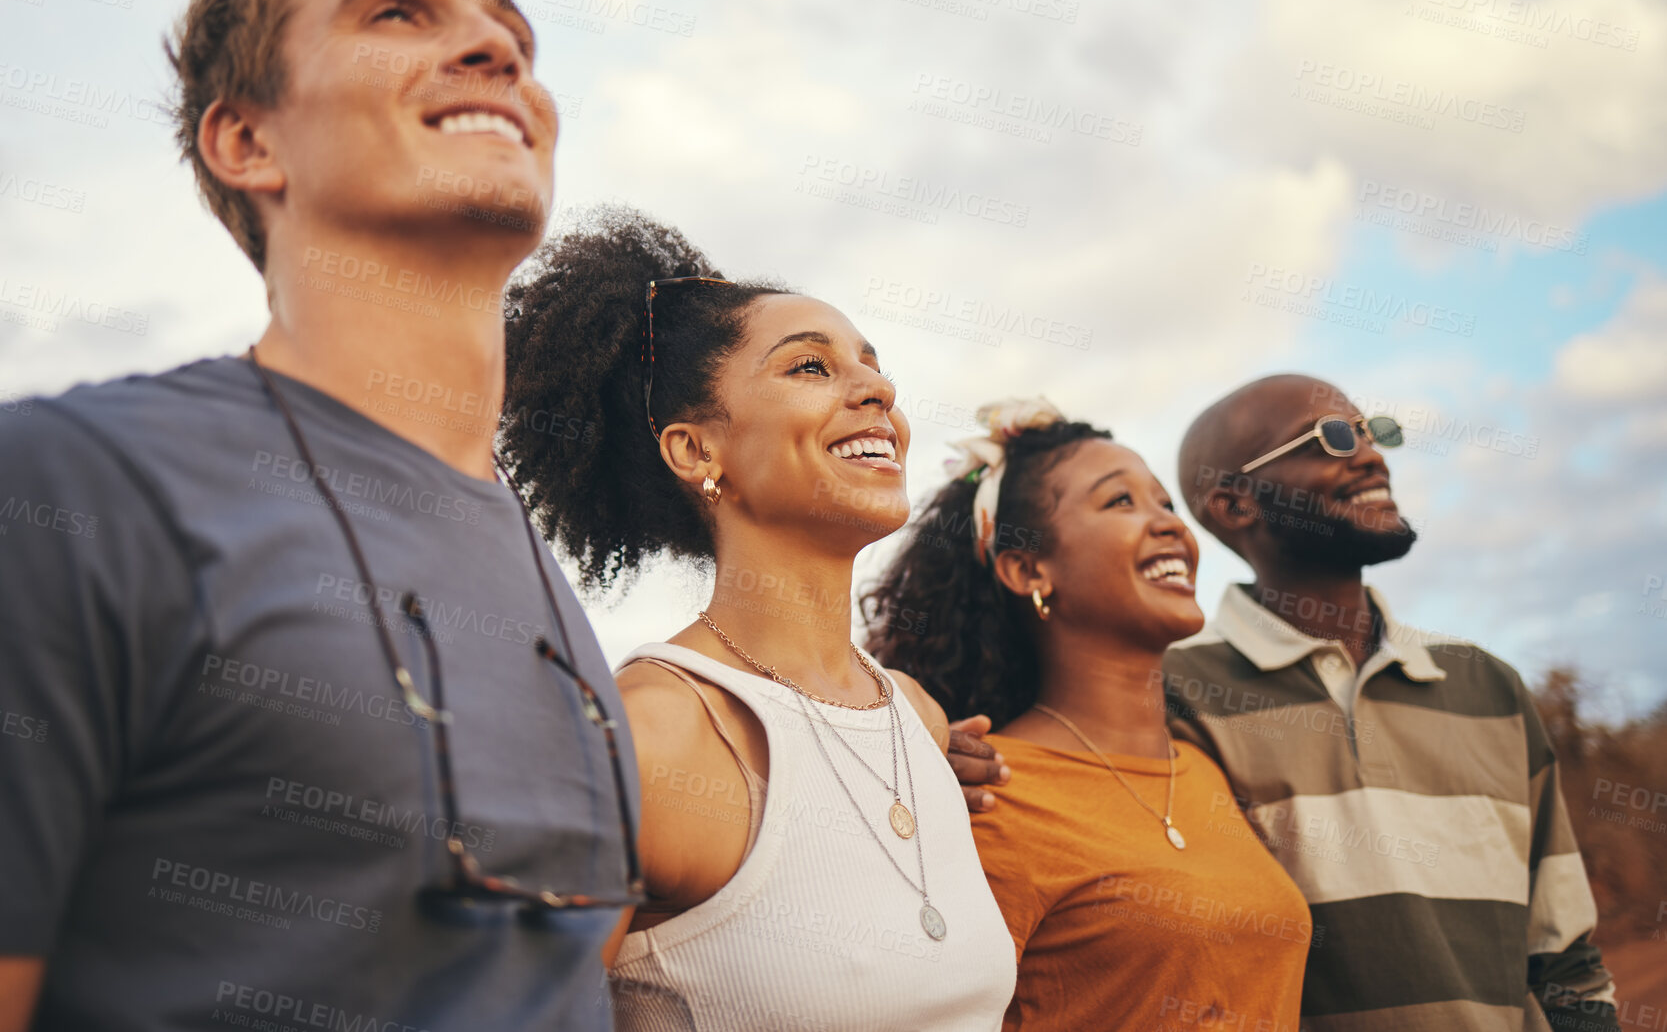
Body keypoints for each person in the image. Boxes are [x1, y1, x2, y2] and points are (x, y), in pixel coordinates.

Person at [0, 0, 641, 1031]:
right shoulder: (72, 482)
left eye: (512, 33)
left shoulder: (532, 565)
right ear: (247, 139)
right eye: (398, 12)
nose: (498, 53)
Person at [498, 208, 1018, 1031]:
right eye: (810, 366)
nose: (877, 389)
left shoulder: (914, 719)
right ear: (695, 451)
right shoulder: (646, 737)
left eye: (872, 367)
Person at [1163, 374, 1620, 1031]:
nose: (1372, 454)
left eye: (1372, 431)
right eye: (1331, 438)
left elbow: (1563, 952)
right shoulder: (1172, 692)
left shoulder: (1487, 686)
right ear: (1234, 504)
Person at [866, 399, 1310, 1032]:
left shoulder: (1208, 772)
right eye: (1120, 503)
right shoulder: (987, 796)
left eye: (1165, 503)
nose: (1166, 525)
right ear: (1028, 569)